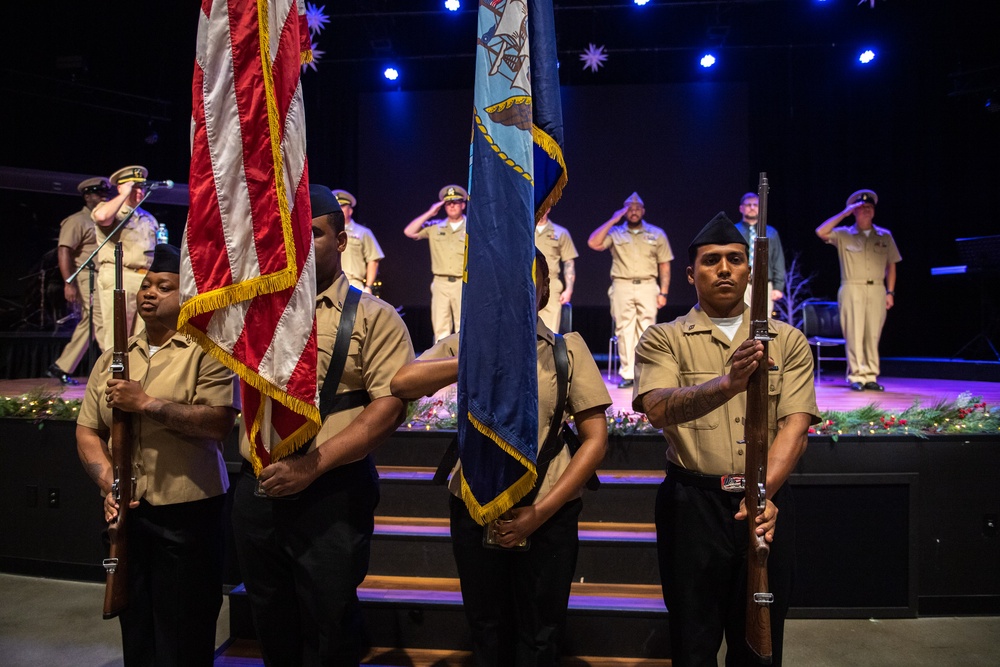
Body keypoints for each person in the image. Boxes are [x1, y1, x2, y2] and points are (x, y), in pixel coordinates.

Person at [390, 249, 610, 666]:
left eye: (530, 279)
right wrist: (476, 357)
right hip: (475, 504)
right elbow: (403, 382)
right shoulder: (465, 344)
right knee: (486, 628)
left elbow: (595, 441)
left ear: (544, 290)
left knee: (540, 632)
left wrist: (540, 512)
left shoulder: (567, 349)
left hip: (549, 509)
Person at [231, 185, 414, 666]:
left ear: (341, 240)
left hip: (331, 491)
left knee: (330, 622)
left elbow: (388, 407)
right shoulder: (256, 313)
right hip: (259, 489)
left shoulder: (374, 317)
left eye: (313, 234)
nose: (301, 244)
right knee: (270, 619)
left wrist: (311, 467)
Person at [631, 213, 819, 667]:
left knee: (761, 643)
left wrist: (763, 494)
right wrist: (728, 383)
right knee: (692, 640)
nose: (724, 269)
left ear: (749, 272)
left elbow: (796, 426)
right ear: (691, 273)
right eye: (711, 260)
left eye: (735, 259)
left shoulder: (787, 340)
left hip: (765, 505)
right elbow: (656, 408)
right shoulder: (665, 338)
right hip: (693, 505)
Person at [76, 243, 239, 666]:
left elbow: (218, 423)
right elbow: (87, 429)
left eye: (164, 286)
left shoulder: (209, 350)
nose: (149, 292)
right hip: (130, 511)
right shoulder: (115, 358)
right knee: (137, 623)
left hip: (189, 511)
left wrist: (145, 403)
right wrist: (106, 481)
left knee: (186, 626)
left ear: (186, 297)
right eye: (146, 285)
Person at [815, 189, 901, 391]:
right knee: (854, 332)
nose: (866, 211)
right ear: (854, 211)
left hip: (877, 289)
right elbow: (821, 231)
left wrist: (890, 292)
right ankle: (856, 375)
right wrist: (845, 213)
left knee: (872, 334)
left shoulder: (884, 236)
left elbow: (892, 265)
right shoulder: (844, 234)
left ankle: (870, 375)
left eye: (870, 208)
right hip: (852, 286)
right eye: (861, 208)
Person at [587, 192, 673, 388]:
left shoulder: (657, 233)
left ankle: (645, 375)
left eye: (637, 208)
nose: (634, 212)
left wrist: (664, 292)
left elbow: (665, 265)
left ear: (643, 211)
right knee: (624, 330)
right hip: (622, 285)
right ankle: (628, 374)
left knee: (648, 330)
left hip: (648, 285)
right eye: (629, 209)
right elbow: (593, 243)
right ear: (624, 212)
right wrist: (613, 219)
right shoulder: (615, 232)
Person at [48, 176, 112, 384]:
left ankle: (62, 366)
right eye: (97, 193)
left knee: (90, 324)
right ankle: (113, 367)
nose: (103, 196)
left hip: (105, 276)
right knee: (101, 320)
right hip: (88, 276)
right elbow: (64, 251)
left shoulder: (106, 218)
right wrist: (69, 282)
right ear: (87, 196)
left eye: (105, 193)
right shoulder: (77, 221)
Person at [90, 165, 159, 352]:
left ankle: (136, 378)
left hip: (144, 279)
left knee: (143, 335)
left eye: (141, 187)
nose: (139, 191)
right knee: (117, 335)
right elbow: (102, 217)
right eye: (134, 187)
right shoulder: (109, 210)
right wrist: (122, 195)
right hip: (119, 274)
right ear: (121, 187)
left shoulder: (148, 218)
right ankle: (112, 379)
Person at [403, 184, 468, 341]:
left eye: (455, 202)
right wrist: (430, 213)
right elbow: (409, 231)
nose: (452, 206)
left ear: (463, 205)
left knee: (463, 328)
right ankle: (441, 364)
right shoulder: (435, 227)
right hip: (440, 283)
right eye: (448, 203)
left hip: (463, 282)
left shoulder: (471, 227)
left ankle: (462, 364)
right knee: (441, 329)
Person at [733, 191, 786, 317]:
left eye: (756, 205)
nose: (752, 208)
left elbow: (778, 259)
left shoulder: (771, 232)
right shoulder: (734, 231)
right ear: (741, 208)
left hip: (764, 283)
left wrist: (778, 286)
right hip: (740, 282)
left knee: (763, 321)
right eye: (748, 205)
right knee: (739, 319)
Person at [534, 206, 578, 333]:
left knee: (549, 330)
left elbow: (569, 262)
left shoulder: (560, 233)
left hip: (551, 285)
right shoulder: (525, 230)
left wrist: (569, 289)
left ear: (549, 208)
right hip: (528, 281)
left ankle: (546, 353)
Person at [332, 189, 384, 293]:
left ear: (350, 210)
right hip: (330, 284)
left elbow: (373, 260)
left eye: (342, 206)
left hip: (353, 284)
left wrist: (368, 287)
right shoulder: (329, 232)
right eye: (336, 206)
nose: (339, 209)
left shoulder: (362, 232)